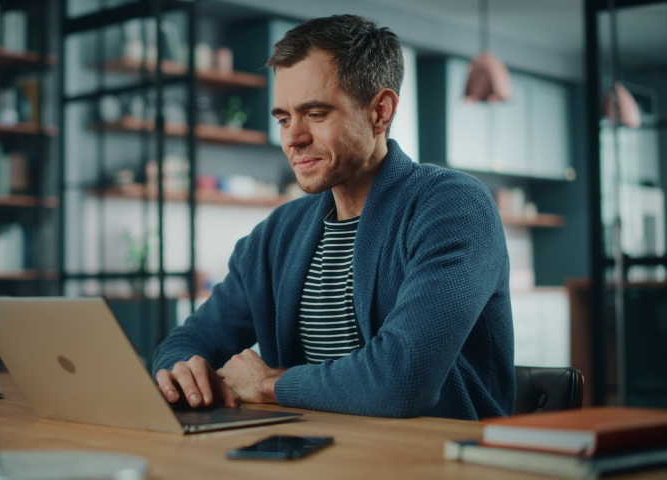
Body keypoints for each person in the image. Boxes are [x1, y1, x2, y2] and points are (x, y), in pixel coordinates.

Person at [152, 14, 515, 420]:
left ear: (380, 111)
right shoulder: (279, 232)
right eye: (284, 119)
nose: (292, 138)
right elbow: (189, 340)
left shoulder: (453, 206)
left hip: (437, 459)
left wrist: (267, 384)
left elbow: (402, 379)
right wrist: (185, 370)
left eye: (316, 114)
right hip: (311, 453)